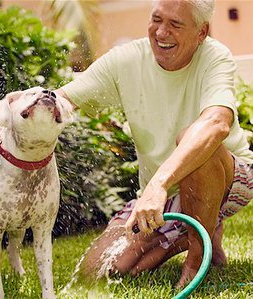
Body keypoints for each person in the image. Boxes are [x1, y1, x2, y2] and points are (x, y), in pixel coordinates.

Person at [55, 0, 253, 287]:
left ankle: (199, 256)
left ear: (201, 31)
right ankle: (200, 232)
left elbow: (217, 123)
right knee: (102, 268)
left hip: (229, 178)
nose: (161, 32)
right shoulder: (125, 59)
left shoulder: (214, 56)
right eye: (157, 19)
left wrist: (157, 186)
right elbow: (64, 99)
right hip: (165, 193)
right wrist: (19, 108)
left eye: (175, 24)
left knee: (194, 140)